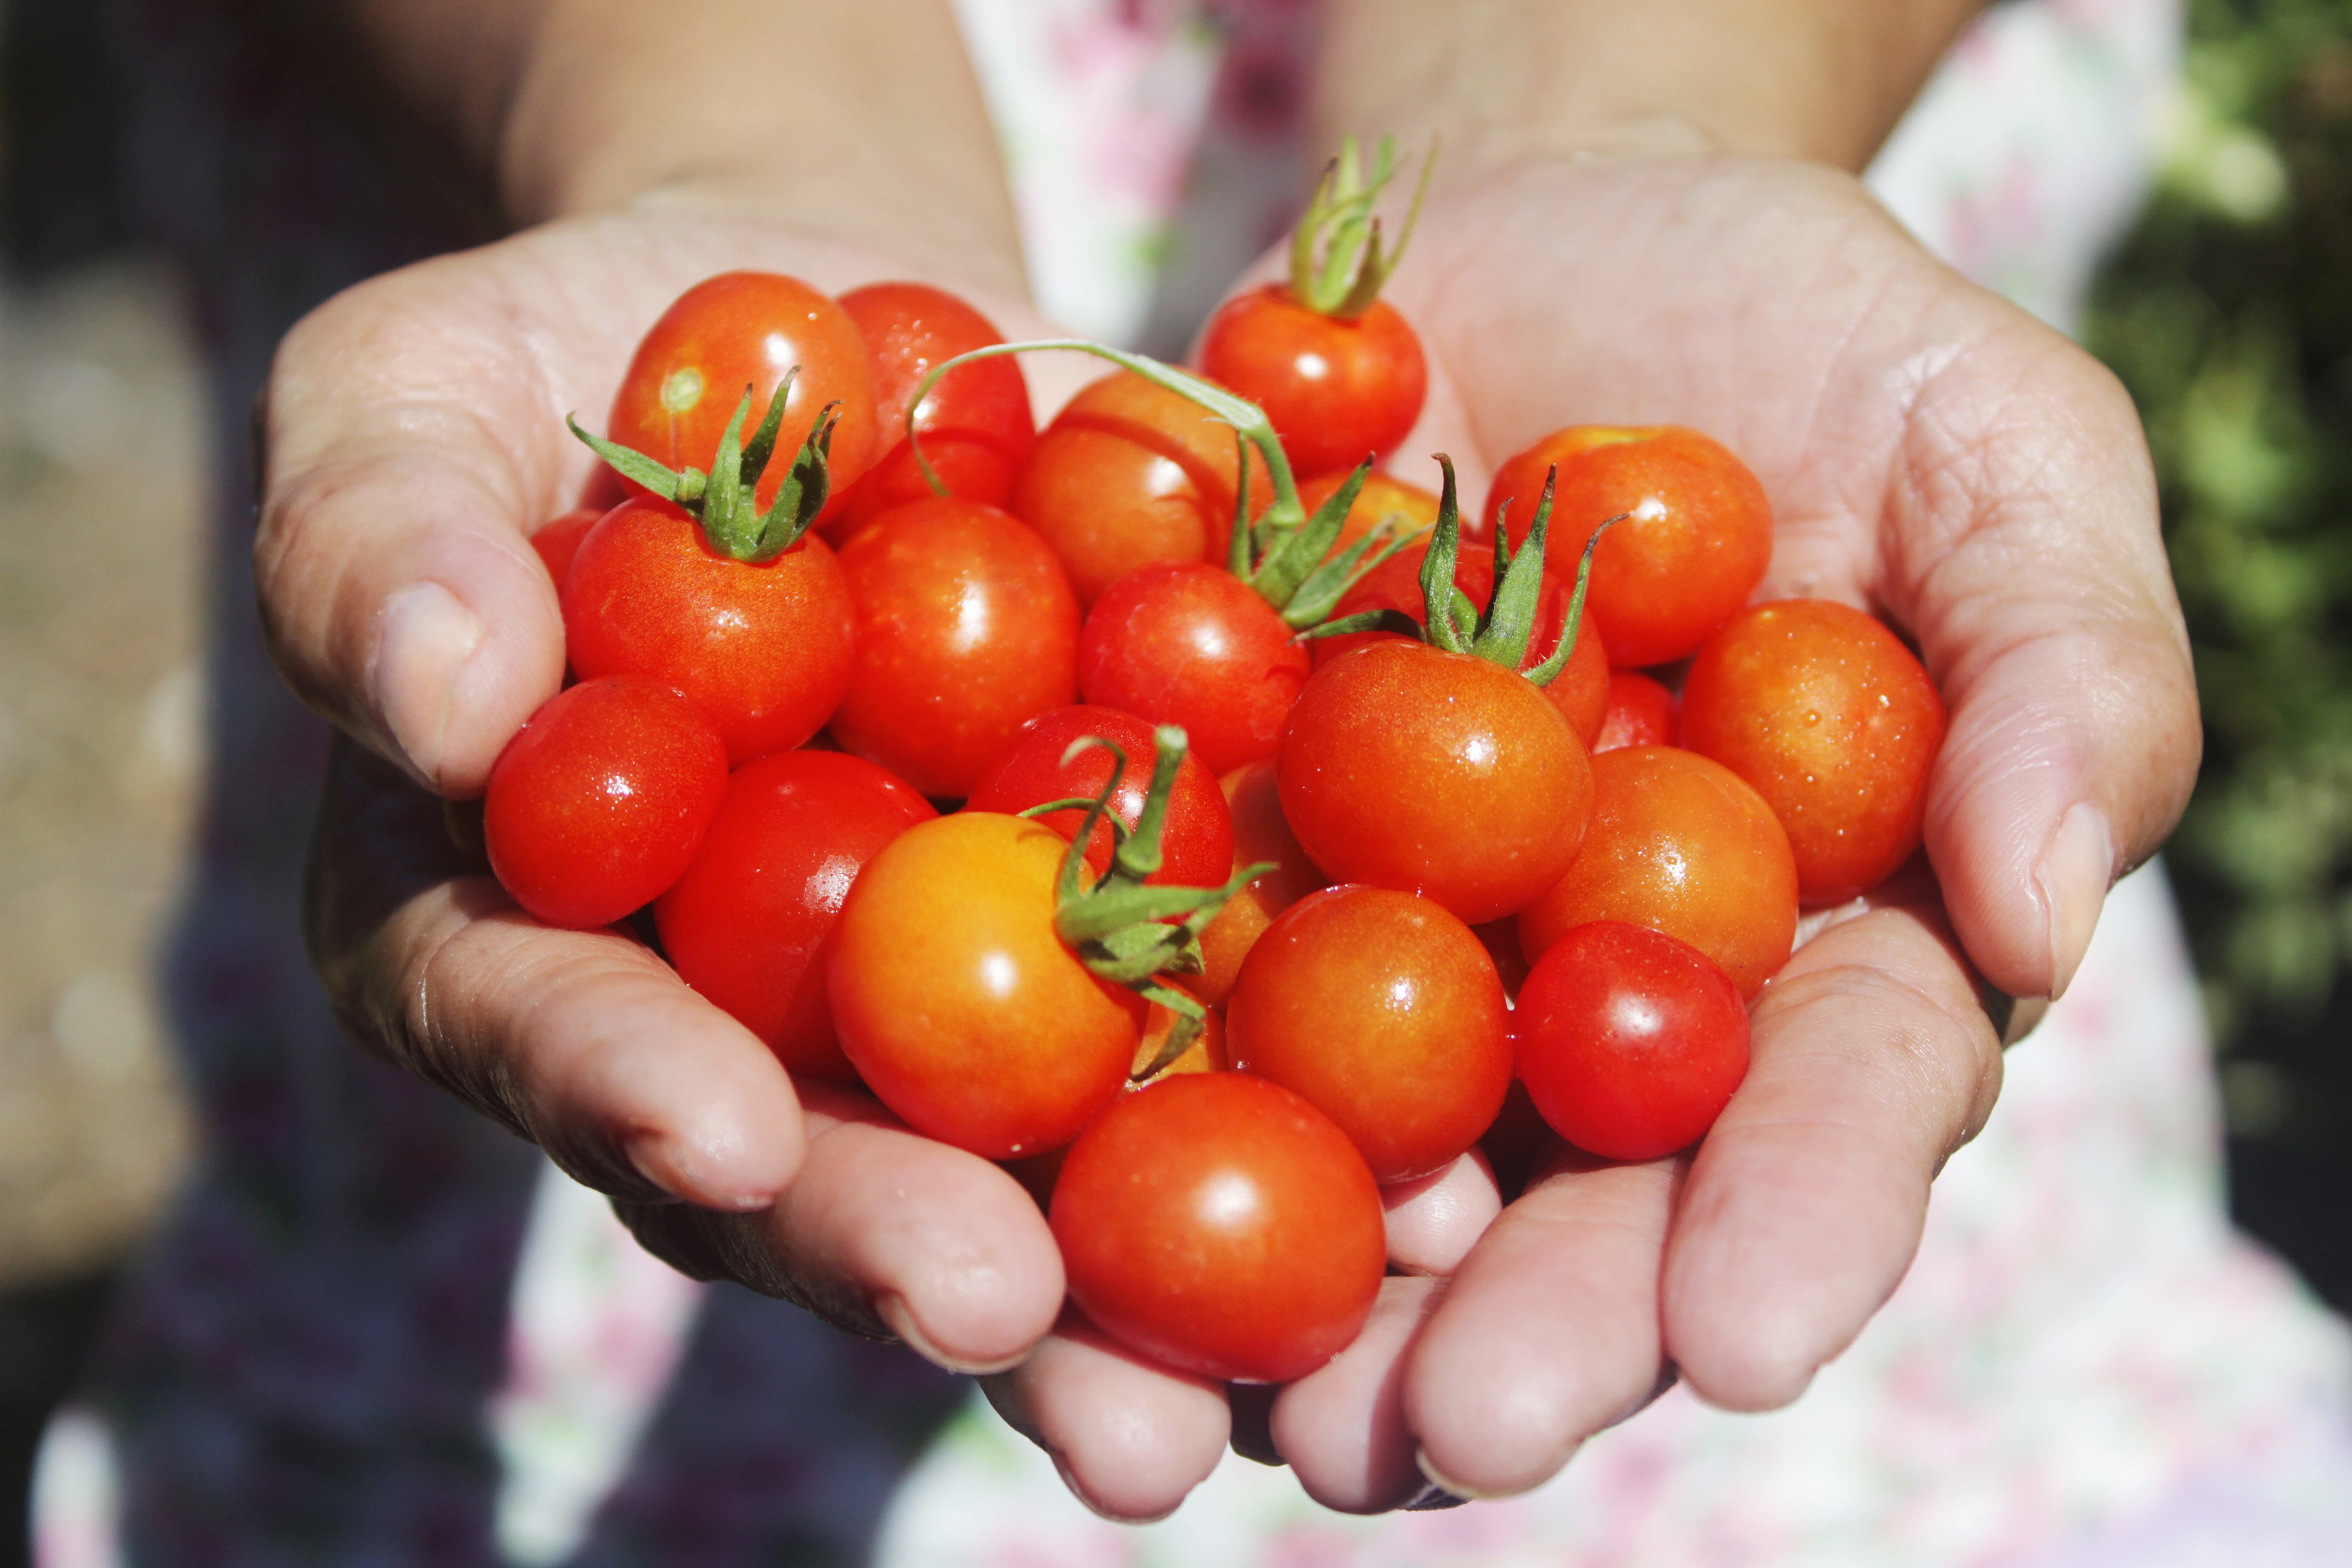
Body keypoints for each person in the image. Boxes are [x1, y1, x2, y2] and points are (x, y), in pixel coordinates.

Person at [56, 0, 2345, 1560]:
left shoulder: (1431, 731)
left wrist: (1621, 119)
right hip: (506, 1344)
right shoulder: (895, 629)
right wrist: (712, 135)